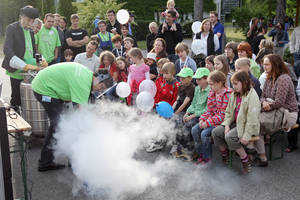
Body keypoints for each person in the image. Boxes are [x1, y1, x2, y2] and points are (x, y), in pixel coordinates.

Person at [31, 62, 103, 172]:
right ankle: (45, 163)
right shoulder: (83, 83)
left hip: (48, 85)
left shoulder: (87, 74)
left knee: (66, 123)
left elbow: (73, 100)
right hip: (44, 89)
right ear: (97, 79)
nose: (99, 90)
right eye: (101, 86)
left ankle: (70, 159)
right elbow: (82, 113)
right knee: (58, 125)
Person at [212, 71, 260, 174]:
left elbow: (252, 119)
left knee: (229, 137)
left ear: (244, 82)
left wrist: (246, 136)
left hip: (247, 126)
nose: (233, 86)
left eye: (236, 83)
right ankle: (225, 155)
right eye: (232, 84)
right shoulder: (235, 94)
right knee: (216, 132)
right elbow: (228, 112)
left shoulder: (252, 96)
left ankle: (245, 160)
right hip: (236, 123)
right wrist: (226, 125)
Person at [259, 54, 298, 165]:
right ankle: (258, 153)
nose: (264, 67)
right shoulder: (269, 77)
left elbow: (280, 102)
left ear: (275, 65)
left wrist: (268, 105)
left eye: (267, 64)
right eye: (263, 64)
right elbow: (262, 96)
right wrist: (264, 102)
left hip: (288, 113)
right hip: (273, 110)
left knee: (257, 124)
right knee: (253, 122)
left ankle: (259, 155)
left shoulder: (284, 78)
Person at [2, 6, 40, 112]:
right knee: (17, 97)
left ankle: (27, 118)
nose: (30, 23)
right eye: (28, 20)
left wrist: (41, 59)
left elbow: (33, 50)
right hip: (16, 68)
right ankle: (17, 121)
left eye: (32, 21)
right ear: (21, 17)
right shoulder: (12, 28)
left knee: (29, 97)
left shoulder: (31, 31)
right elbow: (7, 49)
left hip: (29, 69)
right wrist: (21, 64)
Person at [191, 70, 232, 164]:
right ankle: (201, 153)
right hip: (213, 119)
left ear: (220, 83)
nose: (210, 86)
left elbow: (223, 115)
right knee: (194, 129)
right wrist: (202, 119)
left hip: (223, 121)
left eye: (212, 84)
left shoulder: (227, 95)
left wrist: (207, 123)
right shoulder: (213, 92)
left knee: (204, 134)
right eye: (209, 84)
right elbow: (209, 110)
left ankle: (207, 157)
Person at [183, 68, 210, 143]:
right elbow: (194, 103)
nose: (197, 81)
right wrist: (187, 113)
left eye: (199, 79)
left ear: (207, 79)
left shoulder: (210, 91)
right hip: (194, 113)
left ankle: (192, 149)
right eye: (196, 79)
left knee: (187, 127)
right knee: (181, 123)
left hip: (203, 116)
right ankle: (185, 147)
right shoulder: (197, 89)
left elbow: (207, 109)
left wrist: (192, 116)